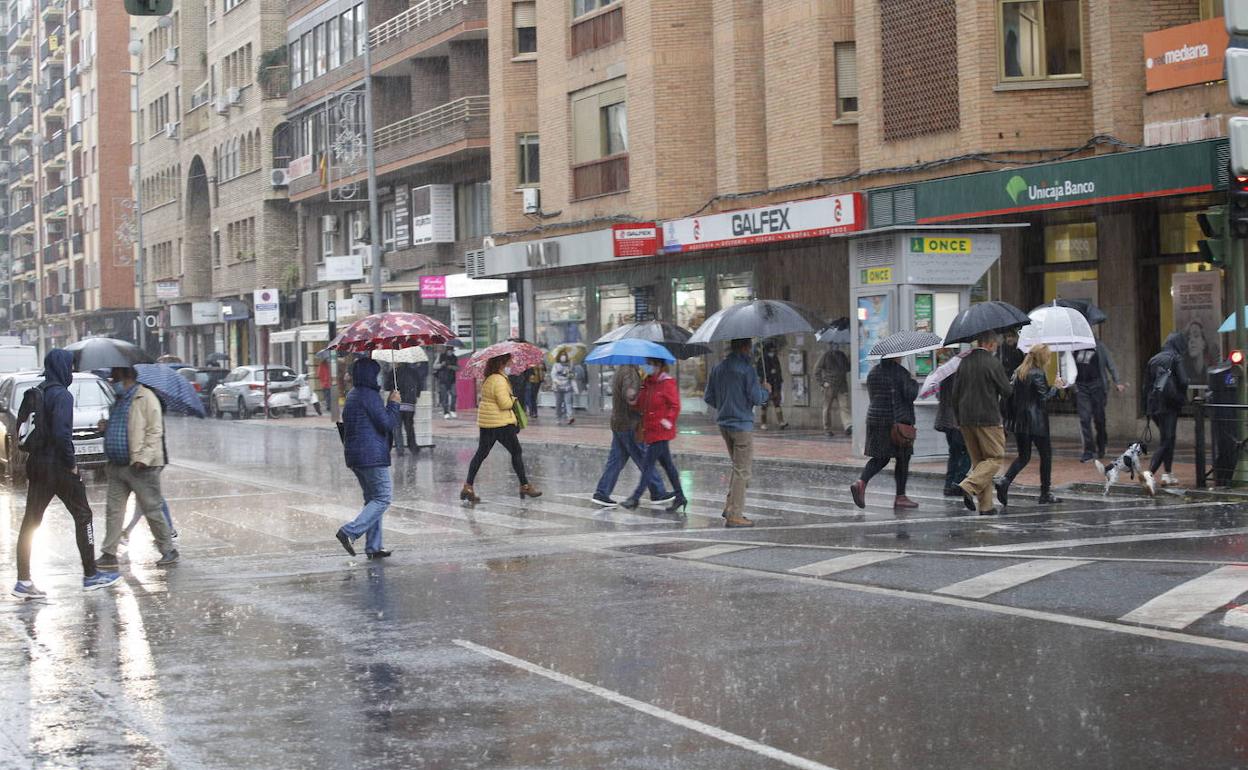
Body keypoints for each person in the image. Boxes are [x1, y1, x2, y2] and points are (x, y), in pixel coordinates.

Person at [11, 350, 122, 599]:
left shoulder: (38, 391)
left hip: (36, 464)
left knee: (31, 522)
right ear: (61, 367)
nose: (71, 371)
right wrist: (71, 464)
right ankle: (91, 575)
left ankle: (23, 580)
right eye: (69, 366)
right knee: (84, 515)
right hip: (57, 466)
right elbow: (62, 435)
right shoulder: (62, 395)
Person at [97, 366, 178, 568]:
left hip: (140, 466)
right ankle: (108, 553)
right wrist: (106, 427)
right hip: (117, 465)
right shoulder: (118, 400)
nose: (112, 381)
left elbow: (154, 431)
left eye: (115, 377)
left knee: (152, 509)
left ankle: (168, 549)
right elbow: (120, 426)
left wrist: (144, 458)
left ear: (127, 377)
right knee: (114, 511)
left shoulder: (146, 398)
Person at [336, 357, 401, 559]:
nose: (379, 376)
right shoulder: (369, 395)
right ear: (370, 375)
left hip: (357, 456)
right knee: (382, 498)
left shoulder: (354, 394)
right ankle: (350, 531)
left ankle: (374, 546)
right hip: (372, 456)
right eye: (377, 372)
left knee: (372, 499)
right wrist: (393, 404)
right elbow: (387, 424)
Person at [704, 339, 772, 528]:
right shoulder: (746, 369)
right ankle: (735, 514)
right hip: (742, 425)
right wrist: (766, 391)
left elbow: (709, 397)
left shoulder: (718, 368)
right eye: (749, 347)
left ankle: (730, 506)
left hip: (724, 424)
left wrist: (726, 406)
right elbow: (757, 398)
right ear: (744, 348)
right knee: (743, 471)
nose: (750, 351)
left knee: (737, 467)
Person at [460, 354, 541, 503]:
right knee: (516, 452)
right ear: (502, 363)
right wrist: (513, 398)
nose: (511, 362)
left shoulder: (489, 378)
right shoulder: (499, 380)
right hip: (501, 424)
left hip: (487, 423)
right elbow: (504, 404)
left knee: (480, 454)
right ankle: (524, 485)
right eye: (509, 360)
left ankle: (468, 486)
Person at [592, 363, 674, 507]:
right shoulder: (630, 373)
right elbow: (631, 396)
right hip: (630, 424)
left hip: (620, 422)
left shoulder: (622, 370)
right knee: (645, 458)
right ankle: (658, 492)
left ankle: (602, 492)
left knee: (616, 460)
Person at [996, 343, 1065, 506]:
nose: (1049, 360)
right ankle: (1045, 493)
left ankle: (1005, 481)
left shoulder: (1018, 372)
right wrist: (1056, 387)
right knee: (1046, 456)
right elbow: (1043, 399)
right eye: (1047, 357)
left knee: (1024, 456)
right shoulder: (1038, 374)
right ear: (1042, 358)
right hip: (1037, 423)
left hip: (1020, 423)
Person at [952, 331, 1014, 515]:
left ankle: (986, 506)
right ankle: (968, 485)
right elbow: (1007, 390)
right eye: (995, 344)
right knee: (995, 458)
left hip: (965, 419)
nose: (996, 347)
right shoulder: (992, 362)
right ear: (990, 344)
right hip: (988, 418)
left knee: (980, 462)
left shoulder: (964, 362)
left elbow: (955, 394)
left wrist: (958, 418)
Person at [850, 356, 919, 510]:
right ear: (895, 356)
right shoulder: (900, 372)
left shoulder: (873, 372)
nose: (901, 358)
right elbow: (910, 394)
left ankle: (861, 482)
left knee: (880, 457)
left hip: (875, 419)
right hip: (896, 423)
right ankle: (900, 496)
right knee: (903, 458)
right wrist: (913, 381)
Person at [620, 359, 686, 513]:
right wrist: (632, 398)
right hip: (650, 430)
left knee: (648, 465)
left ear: (661, 366)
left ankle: (635, 498)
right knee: (668, 466)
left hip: (661, 431)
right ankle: (680, 496)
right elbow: (641, 404)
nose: (649, 367)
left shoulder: (667, 382)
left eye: (653, 364)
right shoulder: (647, 382)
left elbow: (675, 405)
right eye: (648, 364)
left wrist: (667, 421)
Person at [1145, 332, 1190, 490]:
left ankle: (1168, 474)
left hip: (1155, 407)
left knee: (1168, 438)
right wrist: (1181, 396)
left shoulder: (1153, 359)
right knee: (1167, 440)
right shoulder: (1175, 358)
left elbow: (1147, 386)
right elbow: (1184, 380)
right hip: (1169, 406)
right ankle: (1149, 473)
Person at [1072, 335, 1126, 462]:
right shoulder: (1073, 348)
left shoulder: (1099, 346)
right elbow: (1067, 365)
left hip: (1097, 386)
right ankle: (1088, 450)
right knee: (1084, 419)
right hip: (1081, 387)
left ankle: (1102, 443)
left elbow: (1110, 364)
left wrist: (1117, 381)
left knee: (1099, 418)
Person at [935, 369, 971, 498]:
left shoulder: (945, 377)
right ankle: (957, 482)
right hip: (958, 422)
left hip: (946, 422)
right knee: (969, 453)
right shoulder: (962, 379)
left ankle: (948, 485)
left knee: (954, 454)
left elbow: (938, 396)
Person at [815, 344, 852, 436]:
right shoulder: (826, 355)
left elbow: (847, 368)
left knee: (845, 406)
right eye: (834, 344)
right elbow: (816, 370)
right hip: (830, 386)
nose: (836, 346)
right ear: (831, 345)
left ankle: (848, 426)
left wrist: (850, 359)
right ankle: (827, 428)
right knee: (827, 408)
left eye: (837, 344)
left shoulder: (842, 355)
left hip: (842, 386)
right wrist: (822, 383)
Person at [391, 361, 423, 455]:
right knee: (409, 426)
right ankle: (413, 447)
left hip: (397, 403)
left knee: (397, 427)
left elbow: (387, 385)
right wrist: (415, 396)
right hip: (409, 403)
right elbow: (420, 385)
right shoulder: (414, 372)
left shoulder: (394, 372)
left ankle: (400, 449)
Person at [756, 341, 787, 429]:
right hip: (766, 384)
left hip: (776, 383)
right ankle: (763, 423)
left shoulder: (775, 358)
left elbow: (779, 370)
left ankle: (781, 422)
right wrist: (768, 374)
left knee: (777, 403)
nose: (773, 351)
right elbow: (760, 371)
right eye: (771, 349)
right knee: (764, 404)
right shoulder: (762, 359)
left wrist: (779, 380)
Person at [551, 350, 576, 425]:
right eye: (562, 355)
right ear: (559, 356)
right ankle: (558, 418)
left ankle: (570, 417)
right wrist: (556, 381)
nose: (563, 356)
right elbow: (553, 375)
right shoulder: (556, 365)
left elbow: (572, 375)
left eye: (564, 355)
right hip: (558, 388)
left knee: (568, 403)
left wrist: (571, 370)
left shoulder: (569, 365)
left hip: (567, 387)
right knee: (558, 404)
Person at [434, 346, 459, 419]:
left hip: (452, 380)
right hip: (443, 380)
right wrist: (441, 365)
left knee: (454, 395)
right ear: (446, 351)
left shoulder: (454, 358)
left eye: (451, 351)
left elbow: (458, 368)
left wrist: (452, 367)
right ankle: (446, 412)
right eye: (449, 350)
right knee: (445, 397)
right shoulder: (441, 356)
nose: (450, 352)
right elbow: (434, 366)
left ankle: (452, 410)